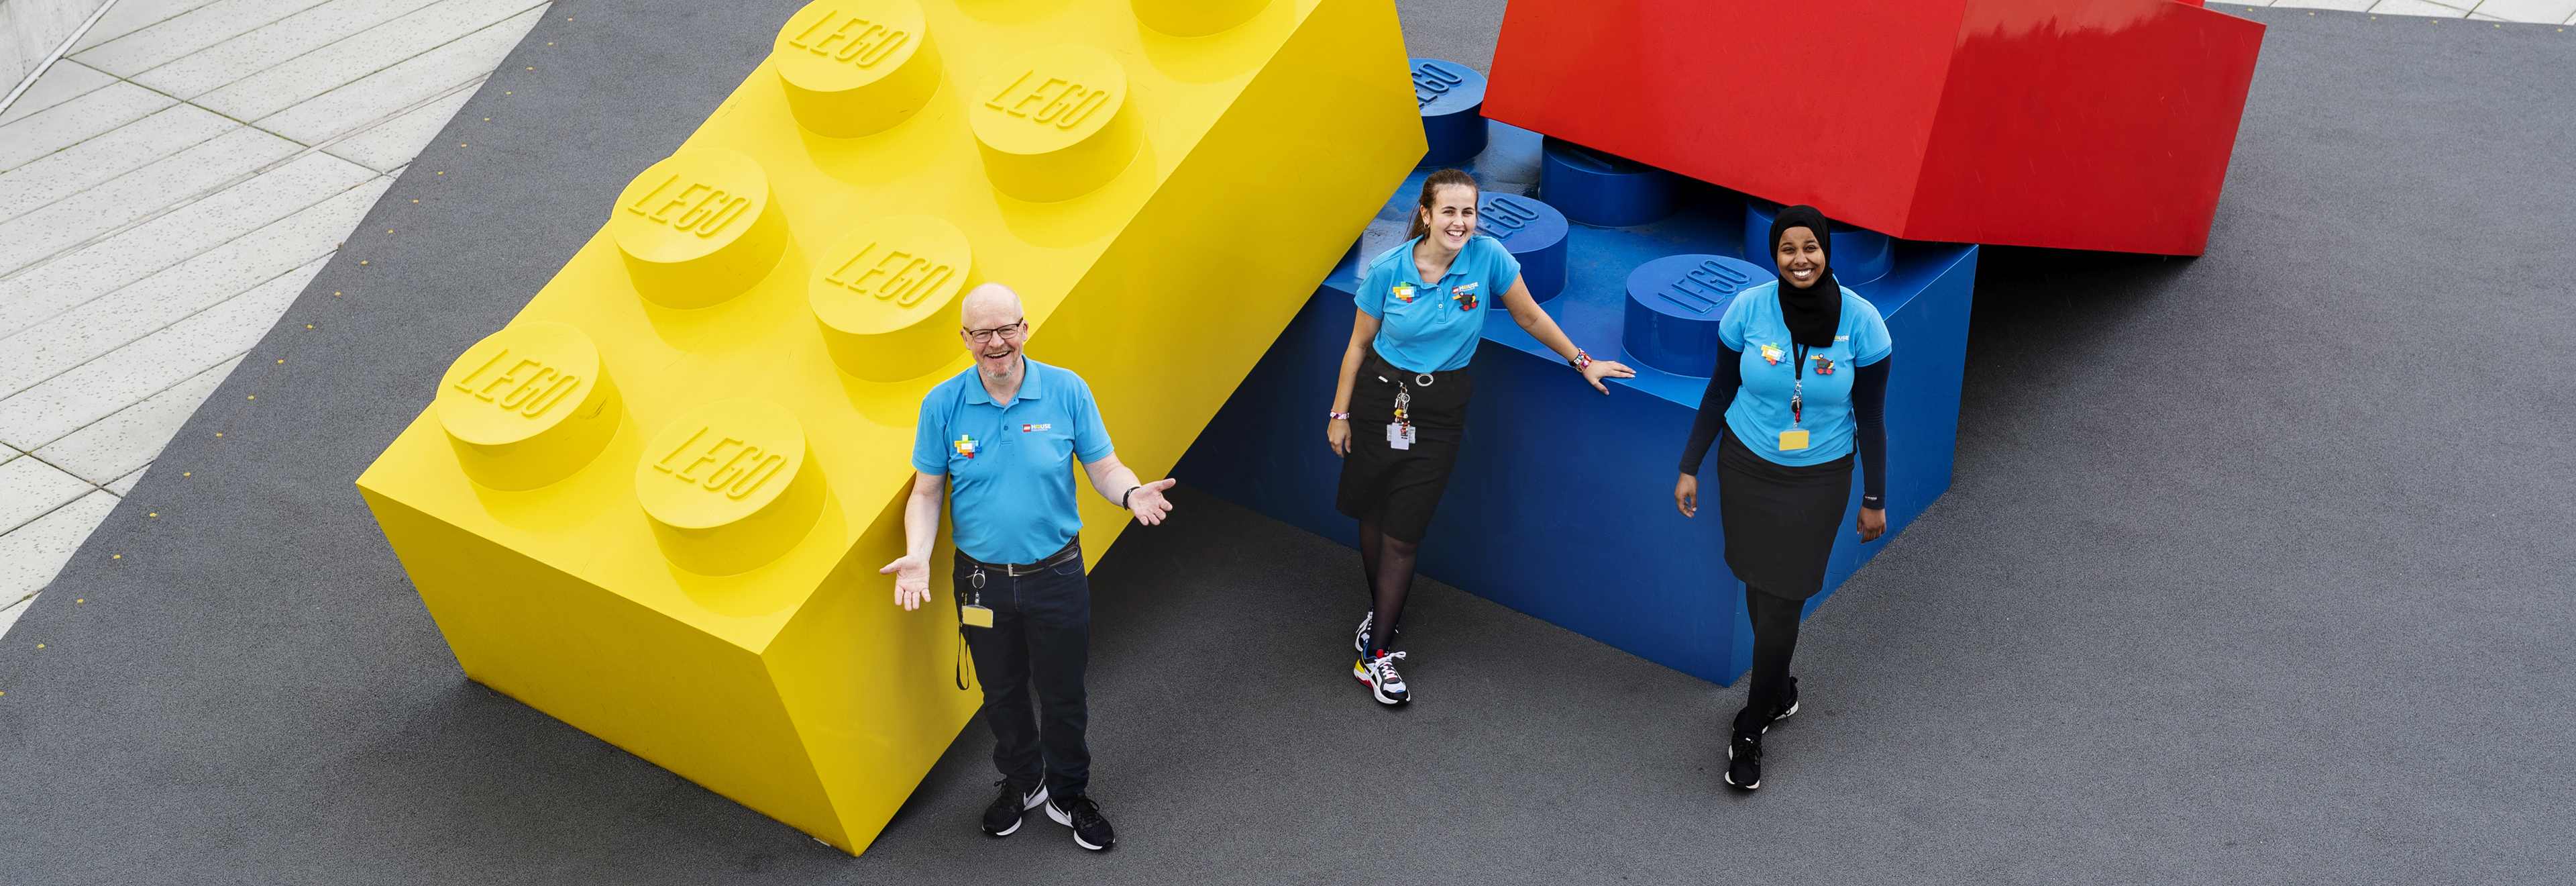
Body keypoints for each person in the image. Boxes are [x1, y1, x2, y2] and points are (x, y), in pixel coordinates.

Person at [881, 283, 1177, 850]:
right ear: (965, 339)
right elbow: (926, 493)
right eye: (982, 333)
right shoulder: (942, 404)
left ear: (1024, 328)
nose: (996, 343)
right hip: (980, 583)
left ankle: (1069, 793)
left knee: (1064, 693)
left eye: (1006, 329)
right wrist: (918, 553)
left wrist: (1130, 492)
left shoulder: (1066, 390)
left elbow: (1104, 467)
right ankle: (1024, 782)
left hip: (1056, 577)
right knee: (1001, 692)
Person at [1328, 168, 1636, 704]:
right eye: (1449, 211)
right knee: (1373, 513)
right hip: (1382, 401)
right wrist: (1339, 413)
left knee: (1404, 532)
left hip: (1442, 408)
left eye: (1468, 212)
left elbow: (1529, 316)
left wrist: (1583, 361)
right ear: (1426, 214)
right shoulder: (1388, 269)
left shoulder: (1488, 257)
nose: (1460, 222)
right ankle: (1381, 620)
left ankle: (1374, 656)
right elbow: (1358, 345)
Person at [1672, 205, 1892, 791]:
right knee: (1758, 582)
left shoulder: (1863, 323)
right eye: (1788, 249)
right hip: (1745, 466)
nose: (1800, 259)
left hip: (1819, 477)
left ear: (1826, 251)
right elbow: (1720, 390)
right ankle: (1781, 688)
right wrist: (1690, 465)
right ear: (1774, 255)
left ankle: (1751, 726)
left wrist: (1874, 496)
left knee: (1784, 598)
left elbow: (1872, 419)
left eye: (1810, 247)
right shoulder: (1747, 309)